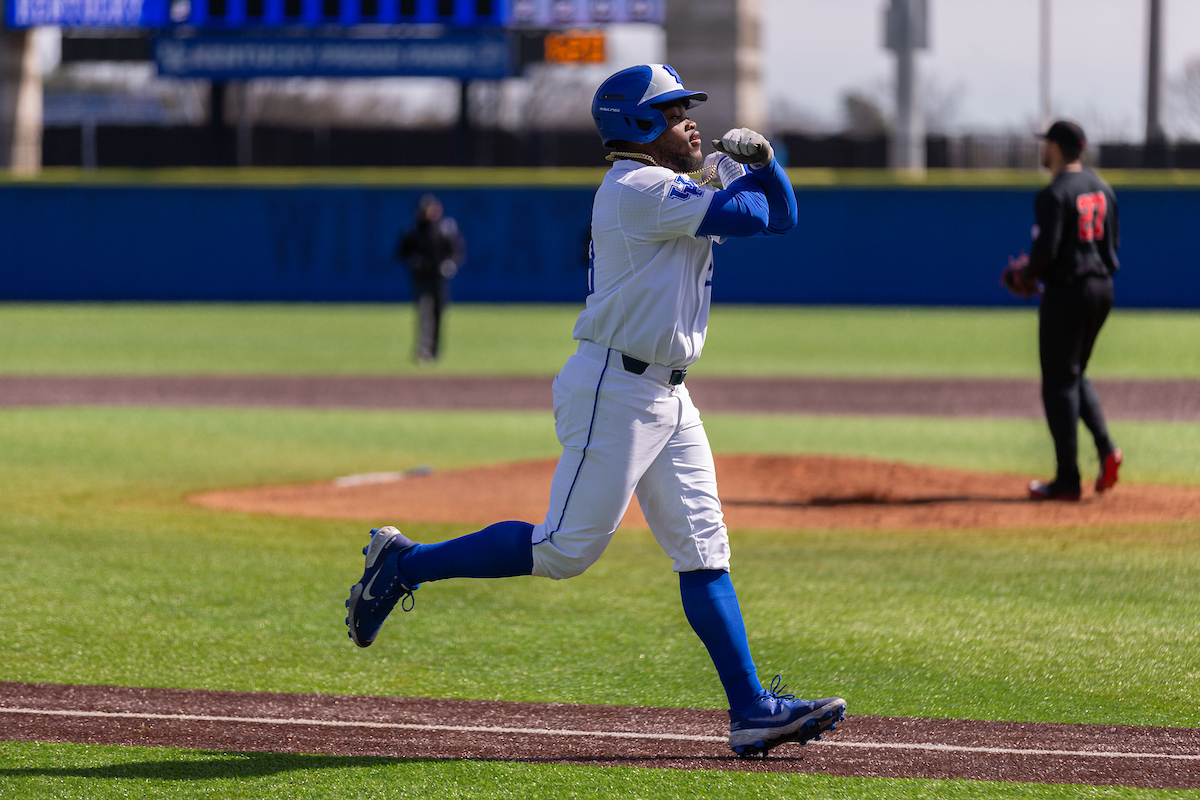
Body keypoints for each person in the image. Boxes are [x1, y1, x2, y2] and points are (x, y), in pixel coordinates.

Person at [345, 64, 846, 757]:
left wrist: (758, 165)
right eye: (674, 112)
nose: (690, 122)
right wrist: (750, 170)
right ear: (639, 125)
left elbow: (782, 216)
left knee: (705, 550)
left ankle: (752, 711)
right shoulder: (638, 189)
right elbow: (755, 213)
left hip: (668, 391)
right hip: (616, 386)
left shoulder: (671, 186)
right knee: (563, 550)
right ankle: (405, 564)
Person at [1001, 119, 1123, 501]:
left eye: (1046, 144)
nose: (1043, 149)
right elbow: (1112, 246)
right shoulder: (1103, 188)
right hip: (1102, 288)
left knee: (1057, 383)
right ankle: (1107, 451)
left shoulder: (1054, 193)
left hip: (1068, 292)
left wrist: (1027, 274)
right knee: (1072, 374)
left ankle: (1067, 479)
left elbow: (1047, 250)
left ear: (1055, 148)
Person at [396, 194, 465, 363]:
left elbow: (456, 251)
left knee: (438, 312)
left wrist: (450, 264)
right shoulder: (413, 229)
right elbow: (401, 252)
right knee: (424, 310)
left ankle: (435, 349)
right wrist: (415, 260)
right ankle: (423, 349)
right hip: (421, 277)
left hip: (439, 278)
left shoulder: (445, 228)